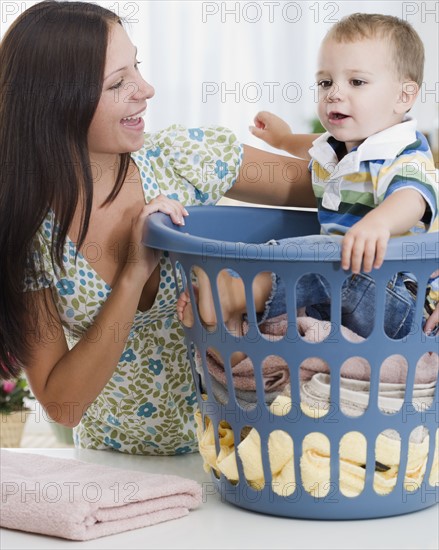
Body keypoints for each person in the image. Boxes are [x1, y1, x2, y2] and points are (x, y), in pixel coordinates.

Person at [0, 1, 317, 455]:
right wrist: (132, 275)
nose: (146, 89)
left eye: (138, 67)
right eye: (118, 83)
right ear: (56, 102)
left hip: (242, 459)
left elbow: (343, 193)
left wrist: (397, 160)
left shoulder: (182, 160)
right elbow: (63, 406)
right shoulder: (31, 232)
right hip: (113, 471)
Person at [177, 13, 438, 341]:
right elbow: (317, 148)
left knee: (324, 255)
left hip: (399, 301)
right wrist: (285, 140)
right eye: (326, 82)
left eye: (356, 82)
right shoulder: (341, 148)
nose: (334, 93)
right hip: (338, 297)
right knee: (292, 317)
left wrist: (379, 224)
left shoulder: (405, 151)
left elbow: (412, 197)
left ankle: (239, 289)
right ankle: (233, 335)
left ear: (404, 95)